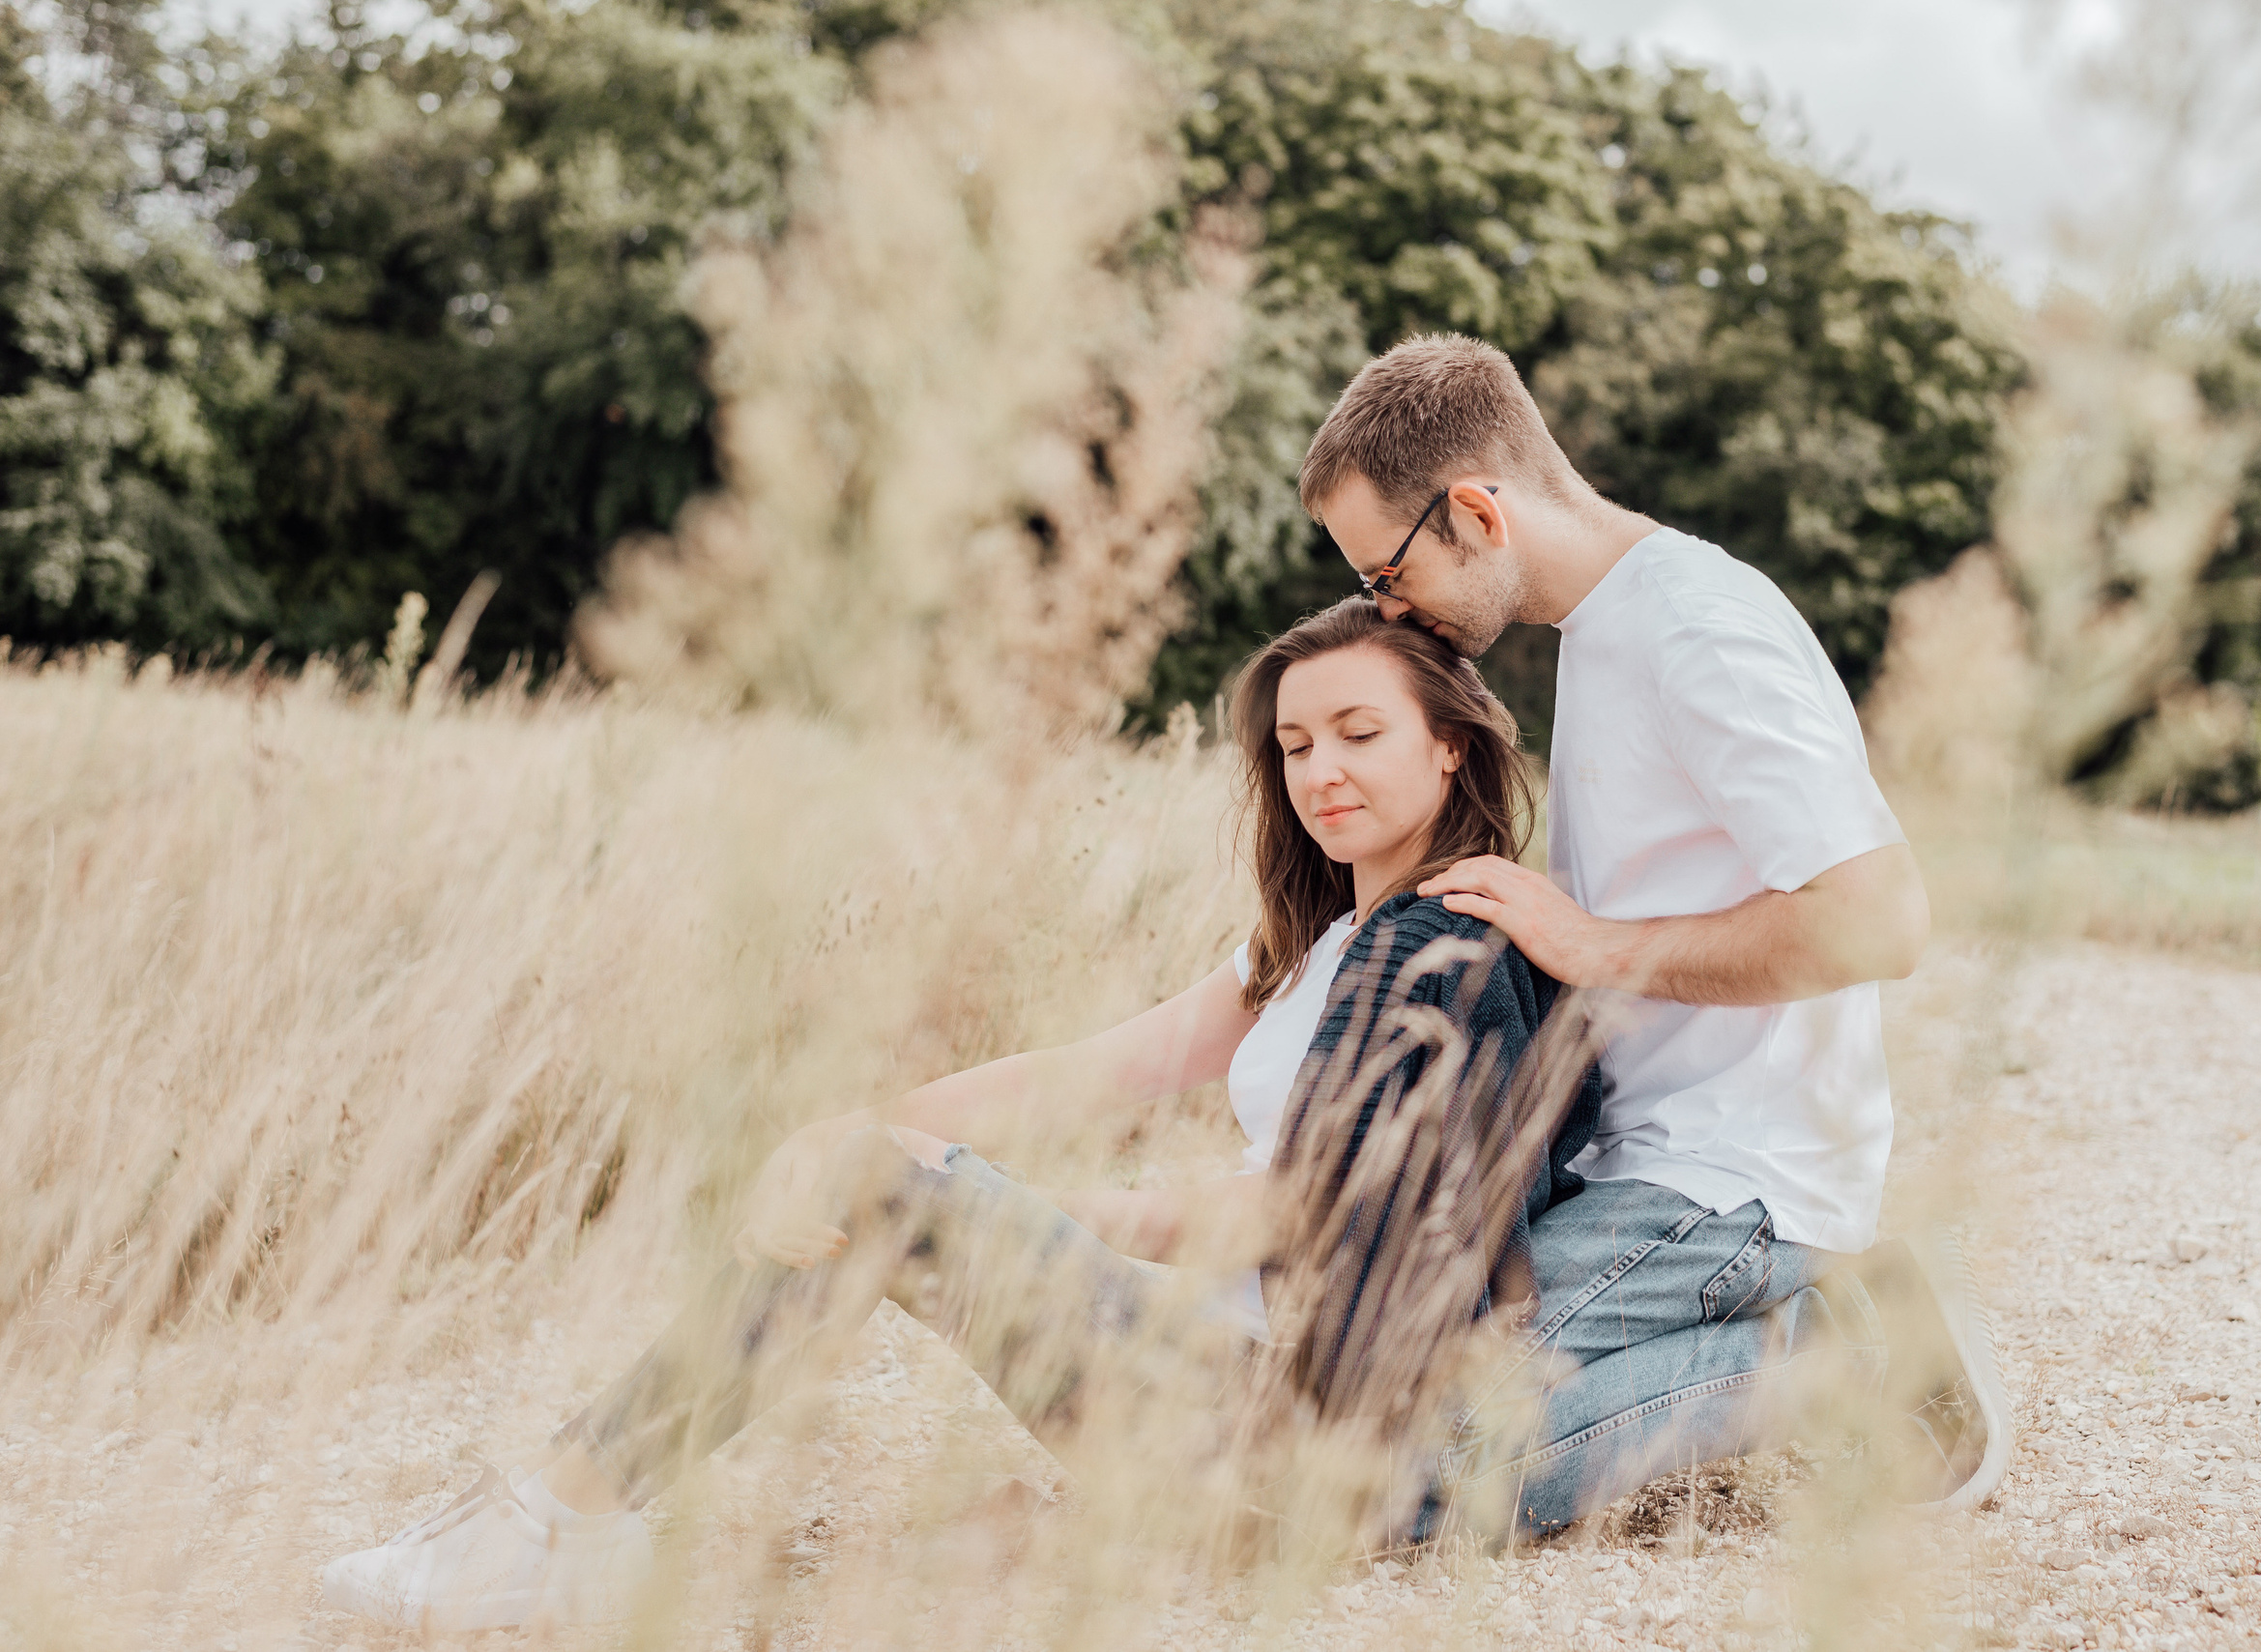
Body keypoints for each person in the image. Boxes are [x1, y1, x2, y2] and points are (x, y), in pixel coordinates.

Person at [322, 598, 1764, 1632]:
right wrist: (851, 1129)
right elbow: (1094, 1066)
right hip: (1219, 1381)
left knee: (895, 1192)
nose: (1321, 770)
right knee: (876, 1175)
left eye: (1359, 733)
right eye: (1294, 744)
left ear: (1450, 747)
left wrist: (984, 1198)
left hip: (1280, 1432)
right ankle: (572, 1514)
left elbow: (1301, 1210)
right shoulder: (1327, 939)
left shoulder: (1448, 943)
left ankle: (560, 1526)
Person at [1294, 333, 2013, 1522]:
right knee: (1345, 1403)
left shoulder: (1697, 629)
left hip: (1734, 1179)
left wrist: (1592, 948)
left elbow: (1878, 919)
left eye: (1388, 571)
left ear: (1476, 512)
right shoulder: (1607, 627)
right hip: (1646, 1159)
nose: (1385, 607)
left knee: (1393, 1468)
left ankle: (1841, 1347)